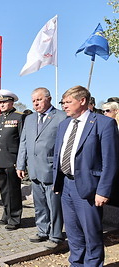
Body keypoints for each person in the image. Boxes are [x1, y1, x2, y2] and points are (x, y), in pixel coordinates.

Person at [53, 85, 119, 266]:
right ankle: (76, 263)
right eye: (63, 102)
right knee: (73, 232)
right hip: (66, 185)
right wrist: (57, 182)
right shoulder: (64, 124)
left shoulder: (103, 123)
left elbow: (110, 161)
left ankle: (93, 263)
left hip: (89, 188)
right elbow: (59, 153)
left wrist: (103, 191)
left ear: (82, 101)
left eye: (68, 102)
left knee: (91, 233)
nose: (64, 106)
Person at [16, 87, 67, 249]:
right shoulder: (29, 119)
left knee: (54, 205)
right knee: (39, 204)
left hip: (52, 169)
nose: (35, 103)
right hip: (34, 169)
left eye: (39, 99)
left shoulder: (61, 117)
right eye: (33, 101)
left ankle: (56, 235)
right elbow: (23, 142)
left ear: (49, 99)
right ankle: (42, 230)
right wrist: (20, 164)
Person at [0, 89, 25, 231]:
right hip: (0, 160)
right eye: (0, 102)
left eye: (5, 102)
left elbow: (23, 141)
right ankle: (6, 214)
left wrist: (21, 162)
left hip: (12, 160)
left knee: (13, 191)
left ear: (12, 102)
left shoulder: (19, 117)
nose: (2, 104)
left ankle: (15, 218)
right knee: (4, 190)